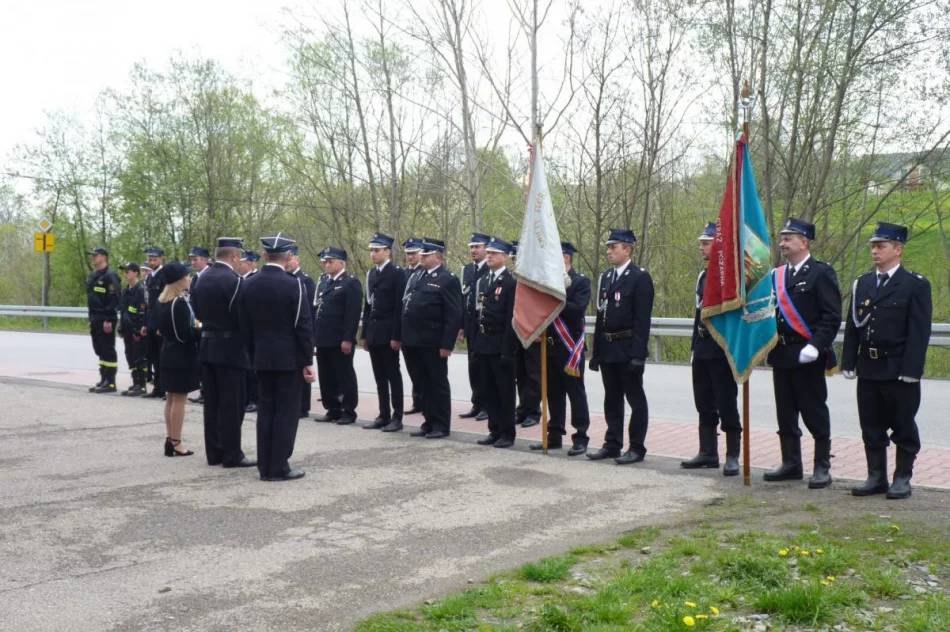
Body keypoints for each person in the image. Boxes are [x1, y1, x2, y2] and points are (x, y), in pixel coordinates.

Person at [842, 222, 932, 500]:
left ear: (898, 249)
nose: (875, 251)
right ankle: (876, 476)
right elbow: (853, 326)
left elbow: (919, 331)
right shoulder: (863, 283)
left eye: (881, 246)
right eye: (873, 246)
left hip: (898, 368)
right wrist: (848, 361)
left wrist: (912, 370)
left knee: (903, 424)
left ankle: (902, 477)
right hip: (869, 367)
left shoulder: (914, 284)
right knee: (870, 423)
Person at [764, 218, 841, 489]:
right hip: (782, 353)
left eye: (788, 239)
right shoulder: (777, 275)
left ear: (804, 242)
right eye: (782, 239)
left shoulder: (821, 273)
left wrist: (816, 345)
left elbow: (831, 317)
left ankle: (822, 466)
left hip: (808, 353)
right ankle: (791, 463)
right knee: (785, 411)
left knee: (814, 411)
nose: (782, 243)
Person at [239, 233, 316, 481]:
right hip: (287, 359)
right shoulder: (294, 284)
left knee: (266, 411)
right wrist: (307, 361)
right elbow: (302, 326)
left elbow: (245, 326)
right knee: (285, 412)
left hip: (261, 357)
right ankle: (279, 465)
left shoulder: (249, 284)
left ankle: (265, 465)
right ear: (288, 257)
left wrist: (252, 354)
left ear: (264, 256)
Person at [588, 229, 654, 464]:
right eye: (608, 246)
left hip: (628, 348)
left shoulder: (639, 278)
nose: (608, 251)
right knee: (612, 398)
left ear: (628, 249)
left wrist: (638, 355)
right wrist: (595, 353)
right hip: (608, 348)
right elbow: (600, 316)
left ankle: (636, 447)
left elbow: (642, 320)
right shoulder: (606, 278)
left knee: (635, 399)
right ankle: (612, 444)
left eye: (613, 246)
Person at [680, 223, 742, 476]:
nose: (701, 247)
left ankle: (732, 455)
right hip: (704, 346)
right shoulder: (703, 276)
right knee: (703, 402)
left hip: (722, 348)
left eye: (705, 243)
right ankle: (708, 452)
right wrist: (694, 346)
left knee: (726, 403)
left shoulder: (731, 277)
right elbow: (699, 314)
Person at [194, 238, 257, 469]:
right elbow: (241, 318)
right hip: (231, 350)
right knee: (232, 405)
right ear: (233, 256)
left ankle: (214, 452)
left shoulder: (202, 279)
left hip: (207, 346)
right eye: (239, 257)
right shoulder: (235, 281)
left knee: (212, 404)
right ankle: (232, 454)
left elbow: (197, 313)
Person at [396, 238, 463, 439]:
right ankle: (428, 420)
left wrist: (447, 343)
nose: (421, 258)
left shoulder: (447, 279)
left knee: (437, 384)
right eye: (421, 255)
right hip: (412, 341)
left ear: (438, 257)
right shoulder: (417, 276)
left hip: (433, 342)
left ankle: (441, 425)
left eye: (426, 255)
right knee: (421, 383)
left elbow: (454, 314)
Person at [529, 241, 591, 456]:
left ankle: (581, 437)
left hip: (570, 347)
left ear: (566, 258)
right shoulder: (548, 283)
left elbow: (577, 310)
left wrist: (556, 298)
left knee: (576, 394)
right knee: (553, 394)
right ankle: (554, 435)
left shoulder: (580, 282)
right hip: (550, 345)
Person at [472, 238, 518, 448]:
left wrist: (508, 350)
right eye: (488, 252)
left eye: (494, 253)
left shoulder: (510, 283)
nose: (489, 256)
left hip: (501, 343)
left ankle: (507, 433)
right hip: (484, 342)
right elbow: (477, 314)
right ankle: (494, 429)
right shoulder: (483, 280)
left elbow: (511, 319)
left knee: (505, 391)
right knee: (489, 389)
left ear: (505, 257)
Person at [361, 233, 408, 432]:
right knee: (379, 376)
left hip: (389, 332)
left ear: (387, 251)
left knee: (392, 375)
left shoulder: (397, 273)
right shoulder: (372, 273)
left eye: (377, 250)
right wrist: (364, 334)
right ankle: (383, 414)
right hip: (374, 332)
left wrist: (396, 336)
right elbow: (368, 305)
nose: (373, 254)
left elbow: (399, 308)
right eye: (371, 250)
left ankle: (397, 416)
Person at [312, 247, 362, 425]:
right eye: (325, 261)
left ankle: (348, 411)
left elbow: (352, 314)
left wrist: (348, 338)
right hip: (323, 338)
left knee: (344, 375)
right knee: (326, 376)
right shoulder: (325, 282)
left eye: (330, 261)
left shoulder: (350, 283)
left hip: (339, 339)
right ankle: (332, 409)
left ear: (342, 262)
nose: (327, 264)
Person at [157, 262, 200, 457]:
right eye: (187, 276)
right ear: (179, 280)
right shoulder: (179, 302)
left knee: (171, 398)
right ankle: (176, 441)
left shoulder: (163, 300)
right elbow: (184, 334)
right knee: (179, 400)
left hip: (168, 352)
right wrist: (200, 330)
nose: (189, 278)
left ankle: (170, 438)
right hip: (180, 355)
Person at [510, 240, 542, 429]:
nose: (516, 262)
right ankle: (522, 409)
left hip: (532, 333)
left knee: (533, 375)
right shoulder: (512, 280)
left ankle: (533, 411)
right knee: (519, 374)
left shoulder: (534, 279)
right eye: (514, 258)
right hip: (516, 333)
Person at [459, 232, 491, 420]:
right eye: (471, 247)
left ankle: (487, 405)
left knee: (485, 367)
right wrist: (462, 326)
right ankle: (477, 403)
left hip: (484, 326)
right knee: (473, 366)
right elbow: (464, 300)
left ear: (486, 249)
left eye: (477, 247)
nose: (473, 250)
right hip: (470, 326)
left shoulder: (490, 269)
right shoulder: (467, 271)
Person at [286, 245, 318, 418]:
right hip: (288, 334)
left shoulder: (305, 280)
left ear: (297, 259)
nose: (288, 262)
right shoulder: (284, 279)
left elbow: (310, 312)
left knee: (304, 366)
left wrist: (311, 337)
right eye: (286, 258)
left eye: (290, 259)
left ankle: (303, 406)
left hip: (303, 332)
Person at [85, 247, 121, 394]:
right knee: (99, 349)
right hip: (95, 318)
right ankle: (103, 378)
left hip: (106, 318)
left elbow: (114, 299)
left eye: (96, 255)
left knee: (107, 349)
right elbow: (91, 299)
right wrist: (90, 318)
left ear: (104, 257)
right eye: (92, 255)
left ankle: (111, 382)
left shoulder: (110, 276)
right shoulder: (94, 276)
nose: (93, 258)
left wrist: (108, 319)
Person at [401, 237, 425, 416]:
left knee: (422, 368)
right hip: (406, 329)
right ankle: (417, 400)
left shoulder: (424, 273)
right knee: (412, 368)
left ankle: (424, 400)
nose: (410, 257)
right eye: (408, 254)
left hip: (421, 331)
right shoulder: (404, 274)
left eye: (413, 253)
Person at [118, 262, 148, 397]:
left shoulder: (141, 290)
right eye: (124, 272)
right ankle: (135, 382)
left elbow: (142, 312)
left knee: (139, 357)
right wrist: (121, 327)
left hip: (137, 331)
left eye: (127, 271)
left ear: (135, 273)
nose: (125, 274)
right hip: (127, 330)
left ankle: (141, 385)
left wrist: (137, 330)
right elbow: (123, 311)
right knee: (130, 356)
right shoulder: (125, 291)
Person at [142, 247, 167, 399]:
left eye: (154, 259)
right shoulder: (150, 277)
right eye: (150, 260)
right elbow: (147, 303)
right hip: (151, 322)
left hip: (160, 323)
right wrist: (145, 324)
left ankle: (164, 388)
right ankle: (157, 388)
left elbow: (165, 302)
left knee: (162, 357)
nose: (152, 262)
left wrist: (162, 325)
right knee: (153, 357)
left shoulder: (164, 276)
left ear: (160, 259)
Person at [187, 247, 210, 404]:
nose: (193, 262)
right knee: (200, 360)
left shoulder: (210, 276)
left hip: (207, 326)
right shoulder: (195, 278)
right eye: (192, 259)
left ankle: (208, 391)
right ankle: (203, 390)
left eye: (196, 259)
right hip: (197, 324)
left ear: (205, 259)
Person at [240, 250, 261, 411]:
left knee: (253, 367)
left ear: (253, 263)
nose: (242, 265)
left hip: (254, 331)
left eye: (245, 262)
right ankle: (246, 397)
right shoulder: (240, 279)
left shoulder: (255, 279)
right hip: (242, 330)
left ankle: (254, 399)